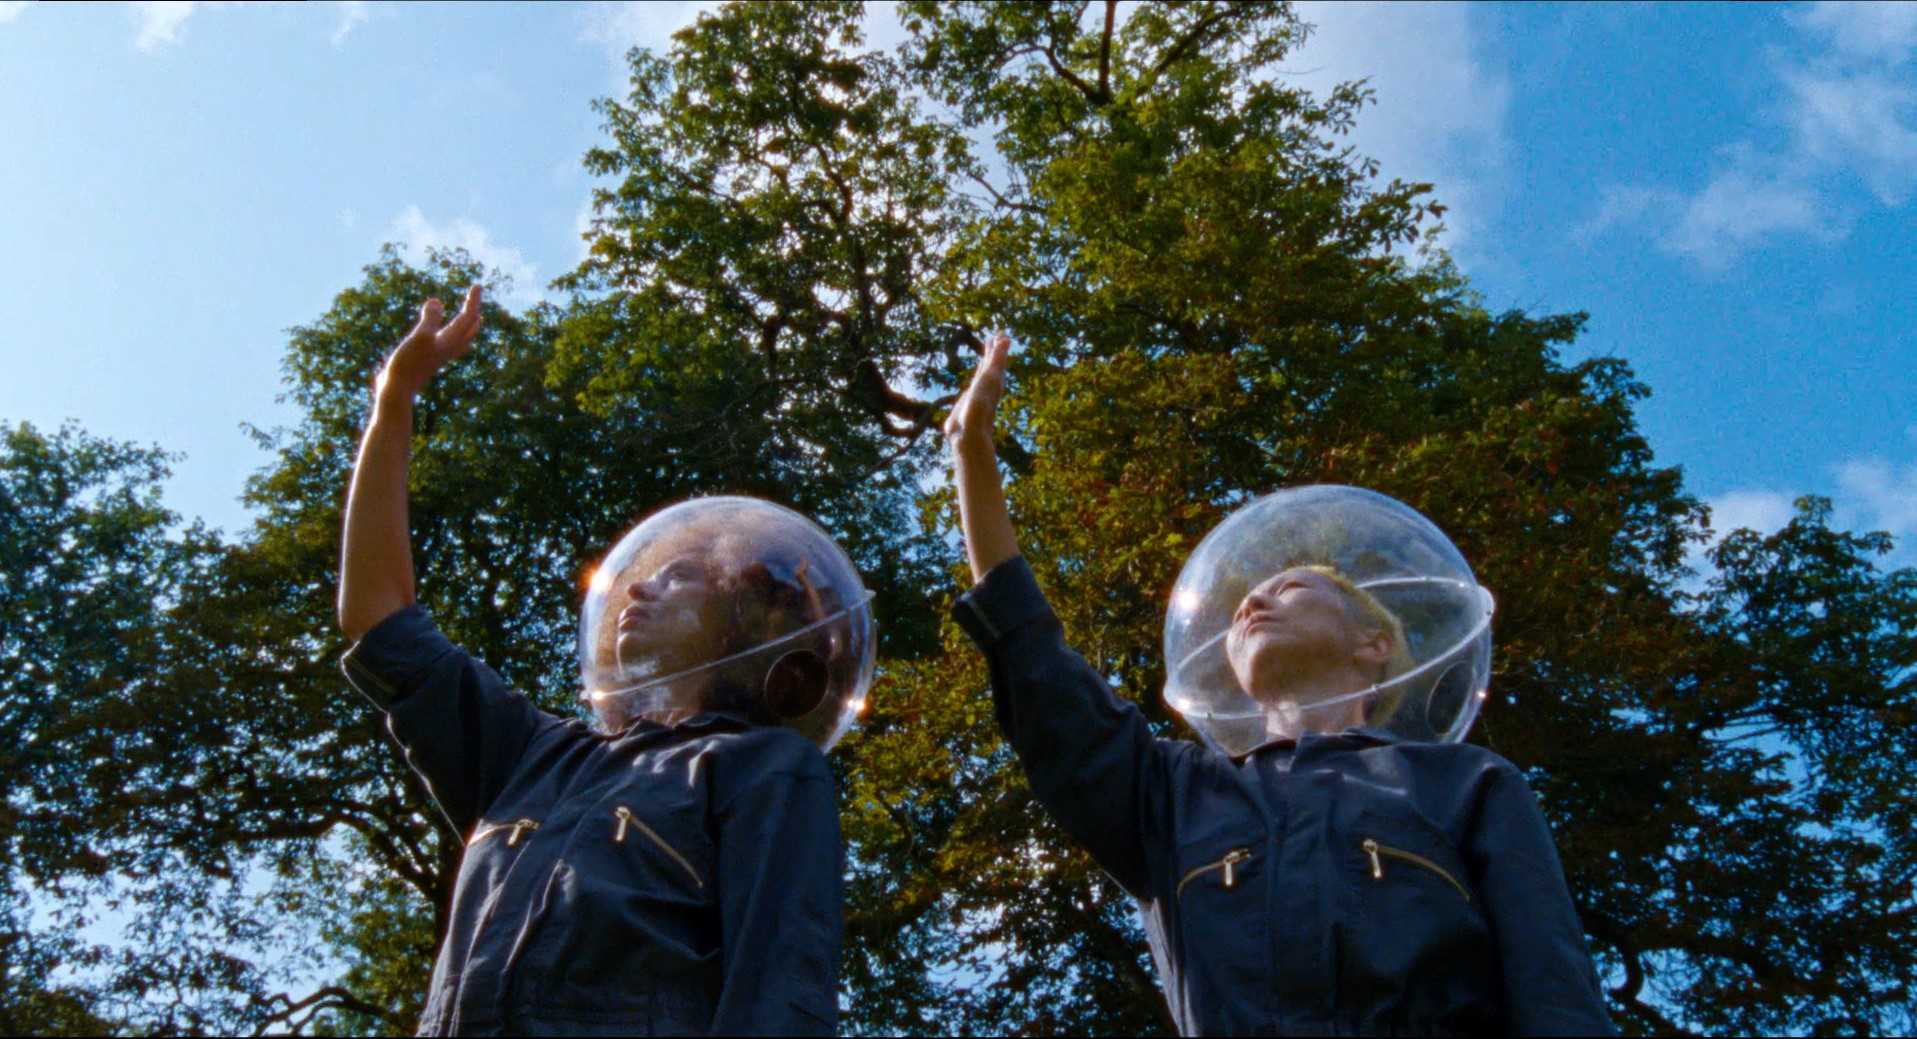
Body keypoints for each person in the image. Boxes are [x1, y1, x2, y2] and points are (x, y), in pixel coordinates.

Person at [943, 333, 1617, 1035]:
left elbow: (1557, 998)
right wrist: (972, 456)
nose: (1251, 603)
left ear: (1374, 643)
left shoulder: (1467, 784)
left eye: (1290, 587)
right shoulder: (1170, 795)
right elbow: (1037, 666)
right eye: (1242, 604)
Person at [336, 286, 871, 1036]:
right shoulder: (528, 755)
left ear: (739, 627)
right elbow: (379, 618)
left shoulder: (763, 767)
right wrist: (394, 402)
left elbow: (780, 996)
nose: (638, 588)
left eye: (678, 577)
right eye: (640, 577)